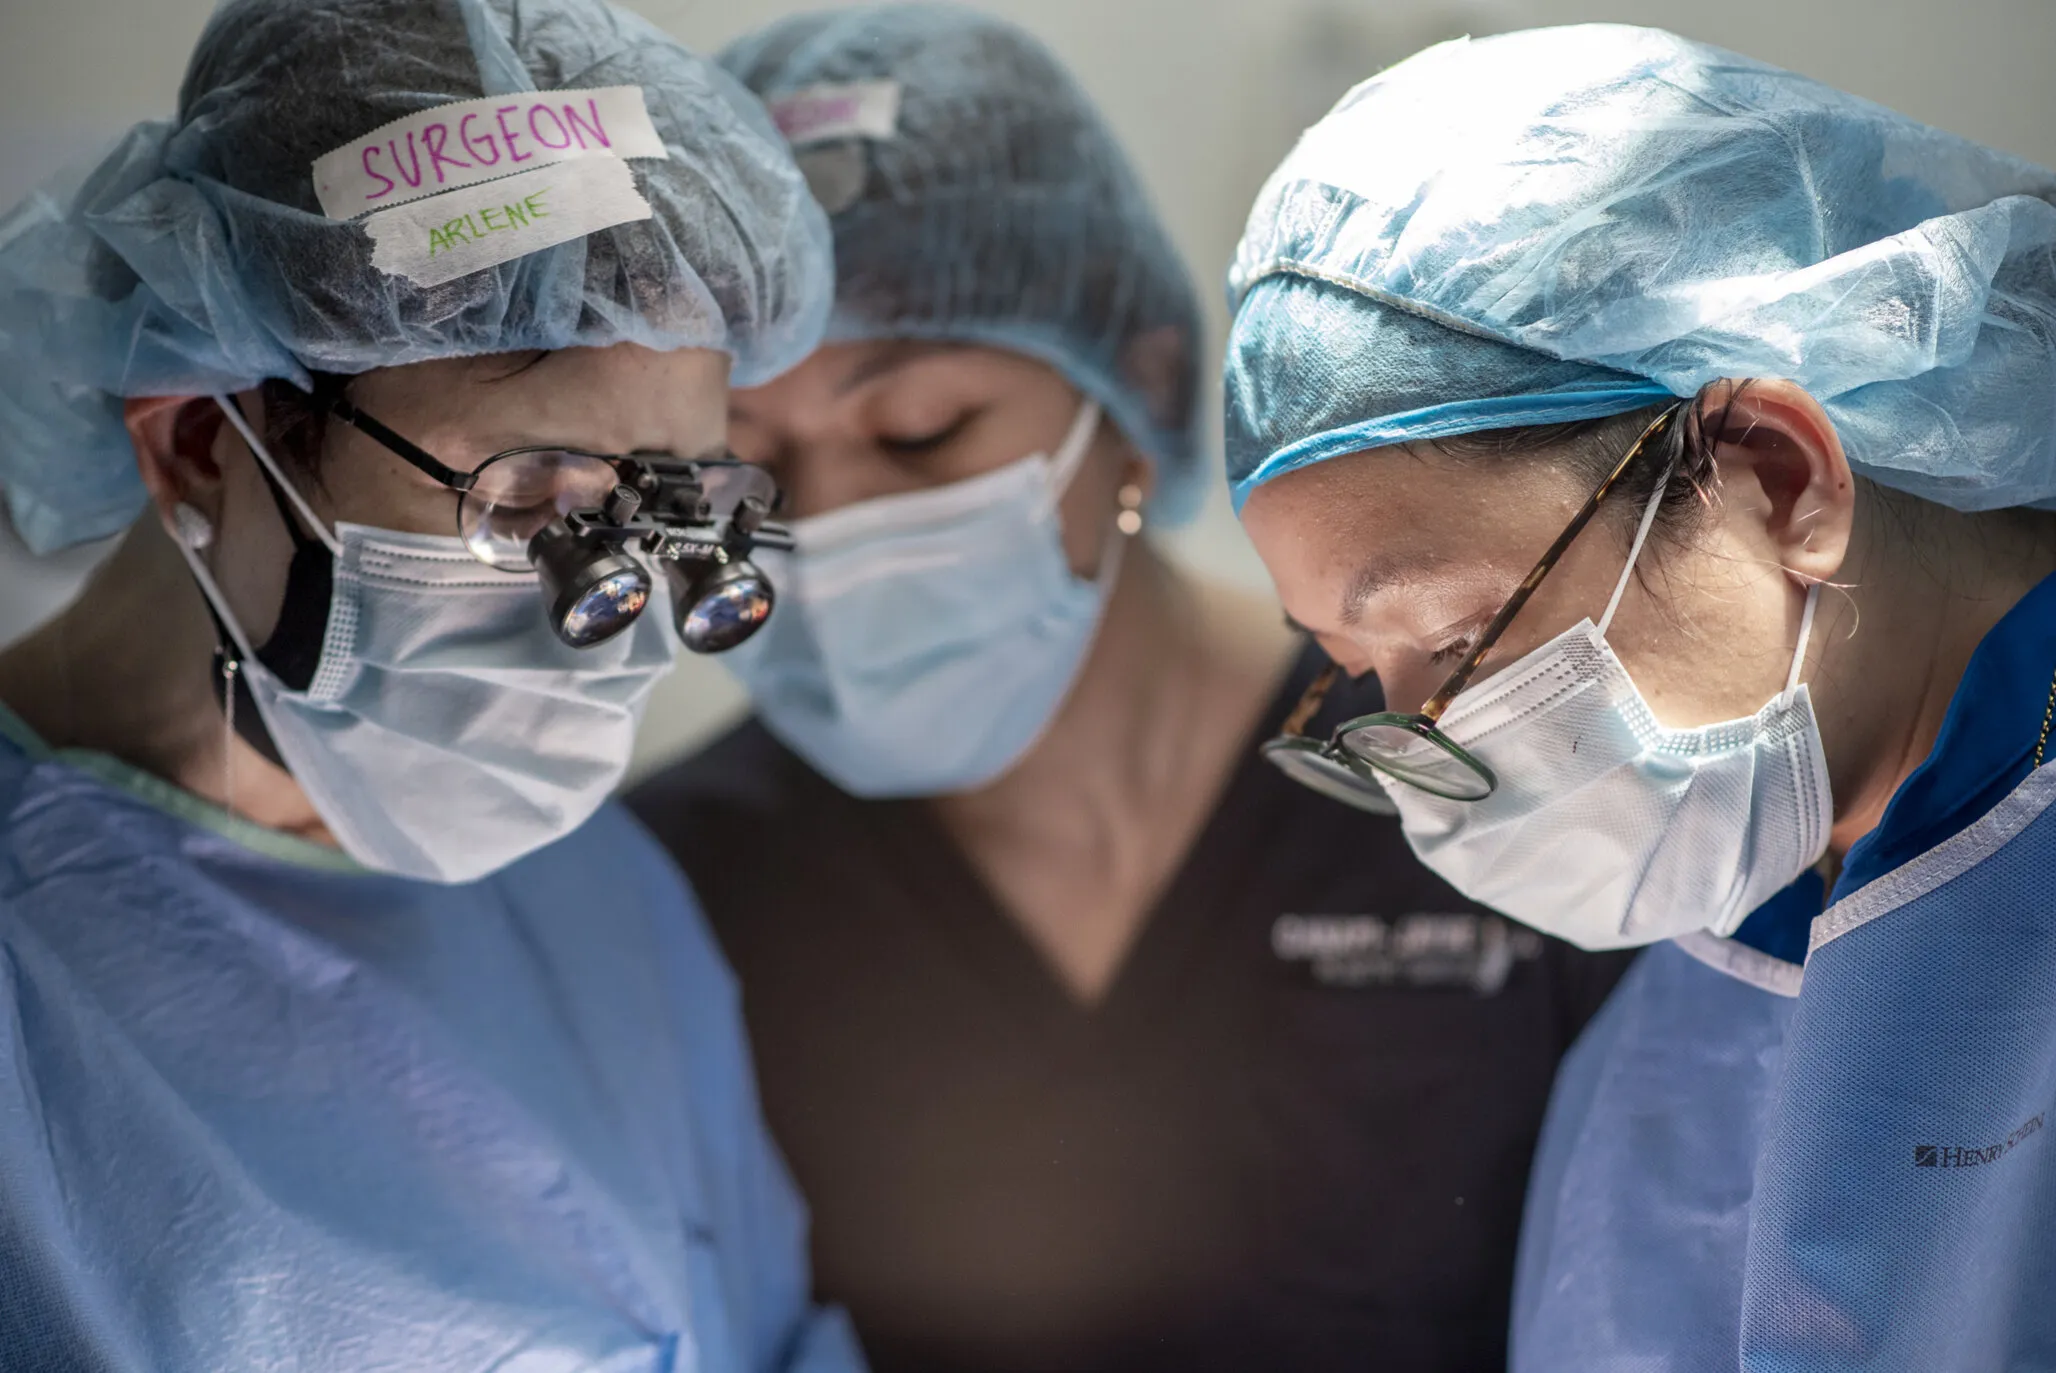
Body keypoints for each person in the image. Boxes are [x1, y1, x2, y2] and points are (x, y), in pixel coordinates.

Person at [627, 8, 1636, 1370]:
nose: (837, 524)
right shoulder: (664, 896)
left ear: (1140, 384)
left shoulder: (1471, 781)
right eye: (745, 469)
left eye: (920, 430)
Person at [0, 1, 863, 1368]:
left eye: (675, 509)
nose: (618, 613)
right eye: (538, 504)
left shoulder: (608, 900)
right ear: (200, 448)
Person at [1223, 23, 2056, 1372]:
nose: (1437, 759)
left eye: (1459, 633)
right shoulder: (1731, 944)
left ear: (1779, 476)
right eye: (1360, 672)